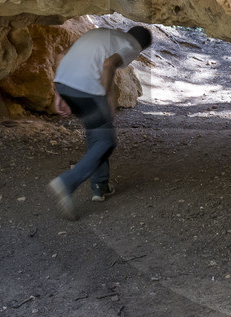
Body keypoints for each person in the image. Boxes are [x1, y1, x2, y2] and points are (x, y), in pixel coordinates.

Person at [46, 24, 153, 219]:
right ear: (142, 46)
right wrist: (108, 97)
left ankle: (100, 186)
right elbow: (108, 64)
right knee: (106, 141)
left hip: (63, 83)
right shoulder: (132, 45)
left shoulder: (98, 33)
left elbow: (60, 56)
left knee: (97, 133)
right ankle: (67, 182)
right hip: (87, 89)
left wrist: (58, 92)